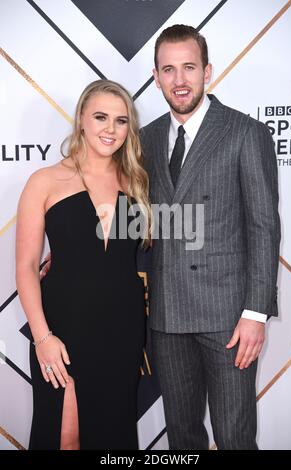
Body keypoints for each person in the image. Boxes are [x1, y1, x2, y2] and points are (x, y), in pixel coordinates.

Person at [140, 25, 280, 450]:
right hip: (166, 318)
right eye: (168, 69)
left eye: (188, 68)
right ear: (156, 75)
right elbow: (133, 216)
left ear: (207, 71)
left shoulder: (244, 132)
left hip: (228, 319)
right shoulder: (143, 139)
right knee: (182, 438)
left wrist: (256, 313)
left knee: (235, 437)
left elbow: (263, 226)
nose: (179, 80)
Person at [16, 79, 151, 450]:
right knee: (65, 436)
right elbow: (27, 266)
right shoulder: (44, 181)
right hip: (62, 329)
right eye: (101, 117)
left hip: (122, 332)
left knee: (113, 437)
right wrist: (43, 338)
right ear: (81, 120)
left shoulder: (137, 183)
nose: (111, 129)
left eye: (121, 121)